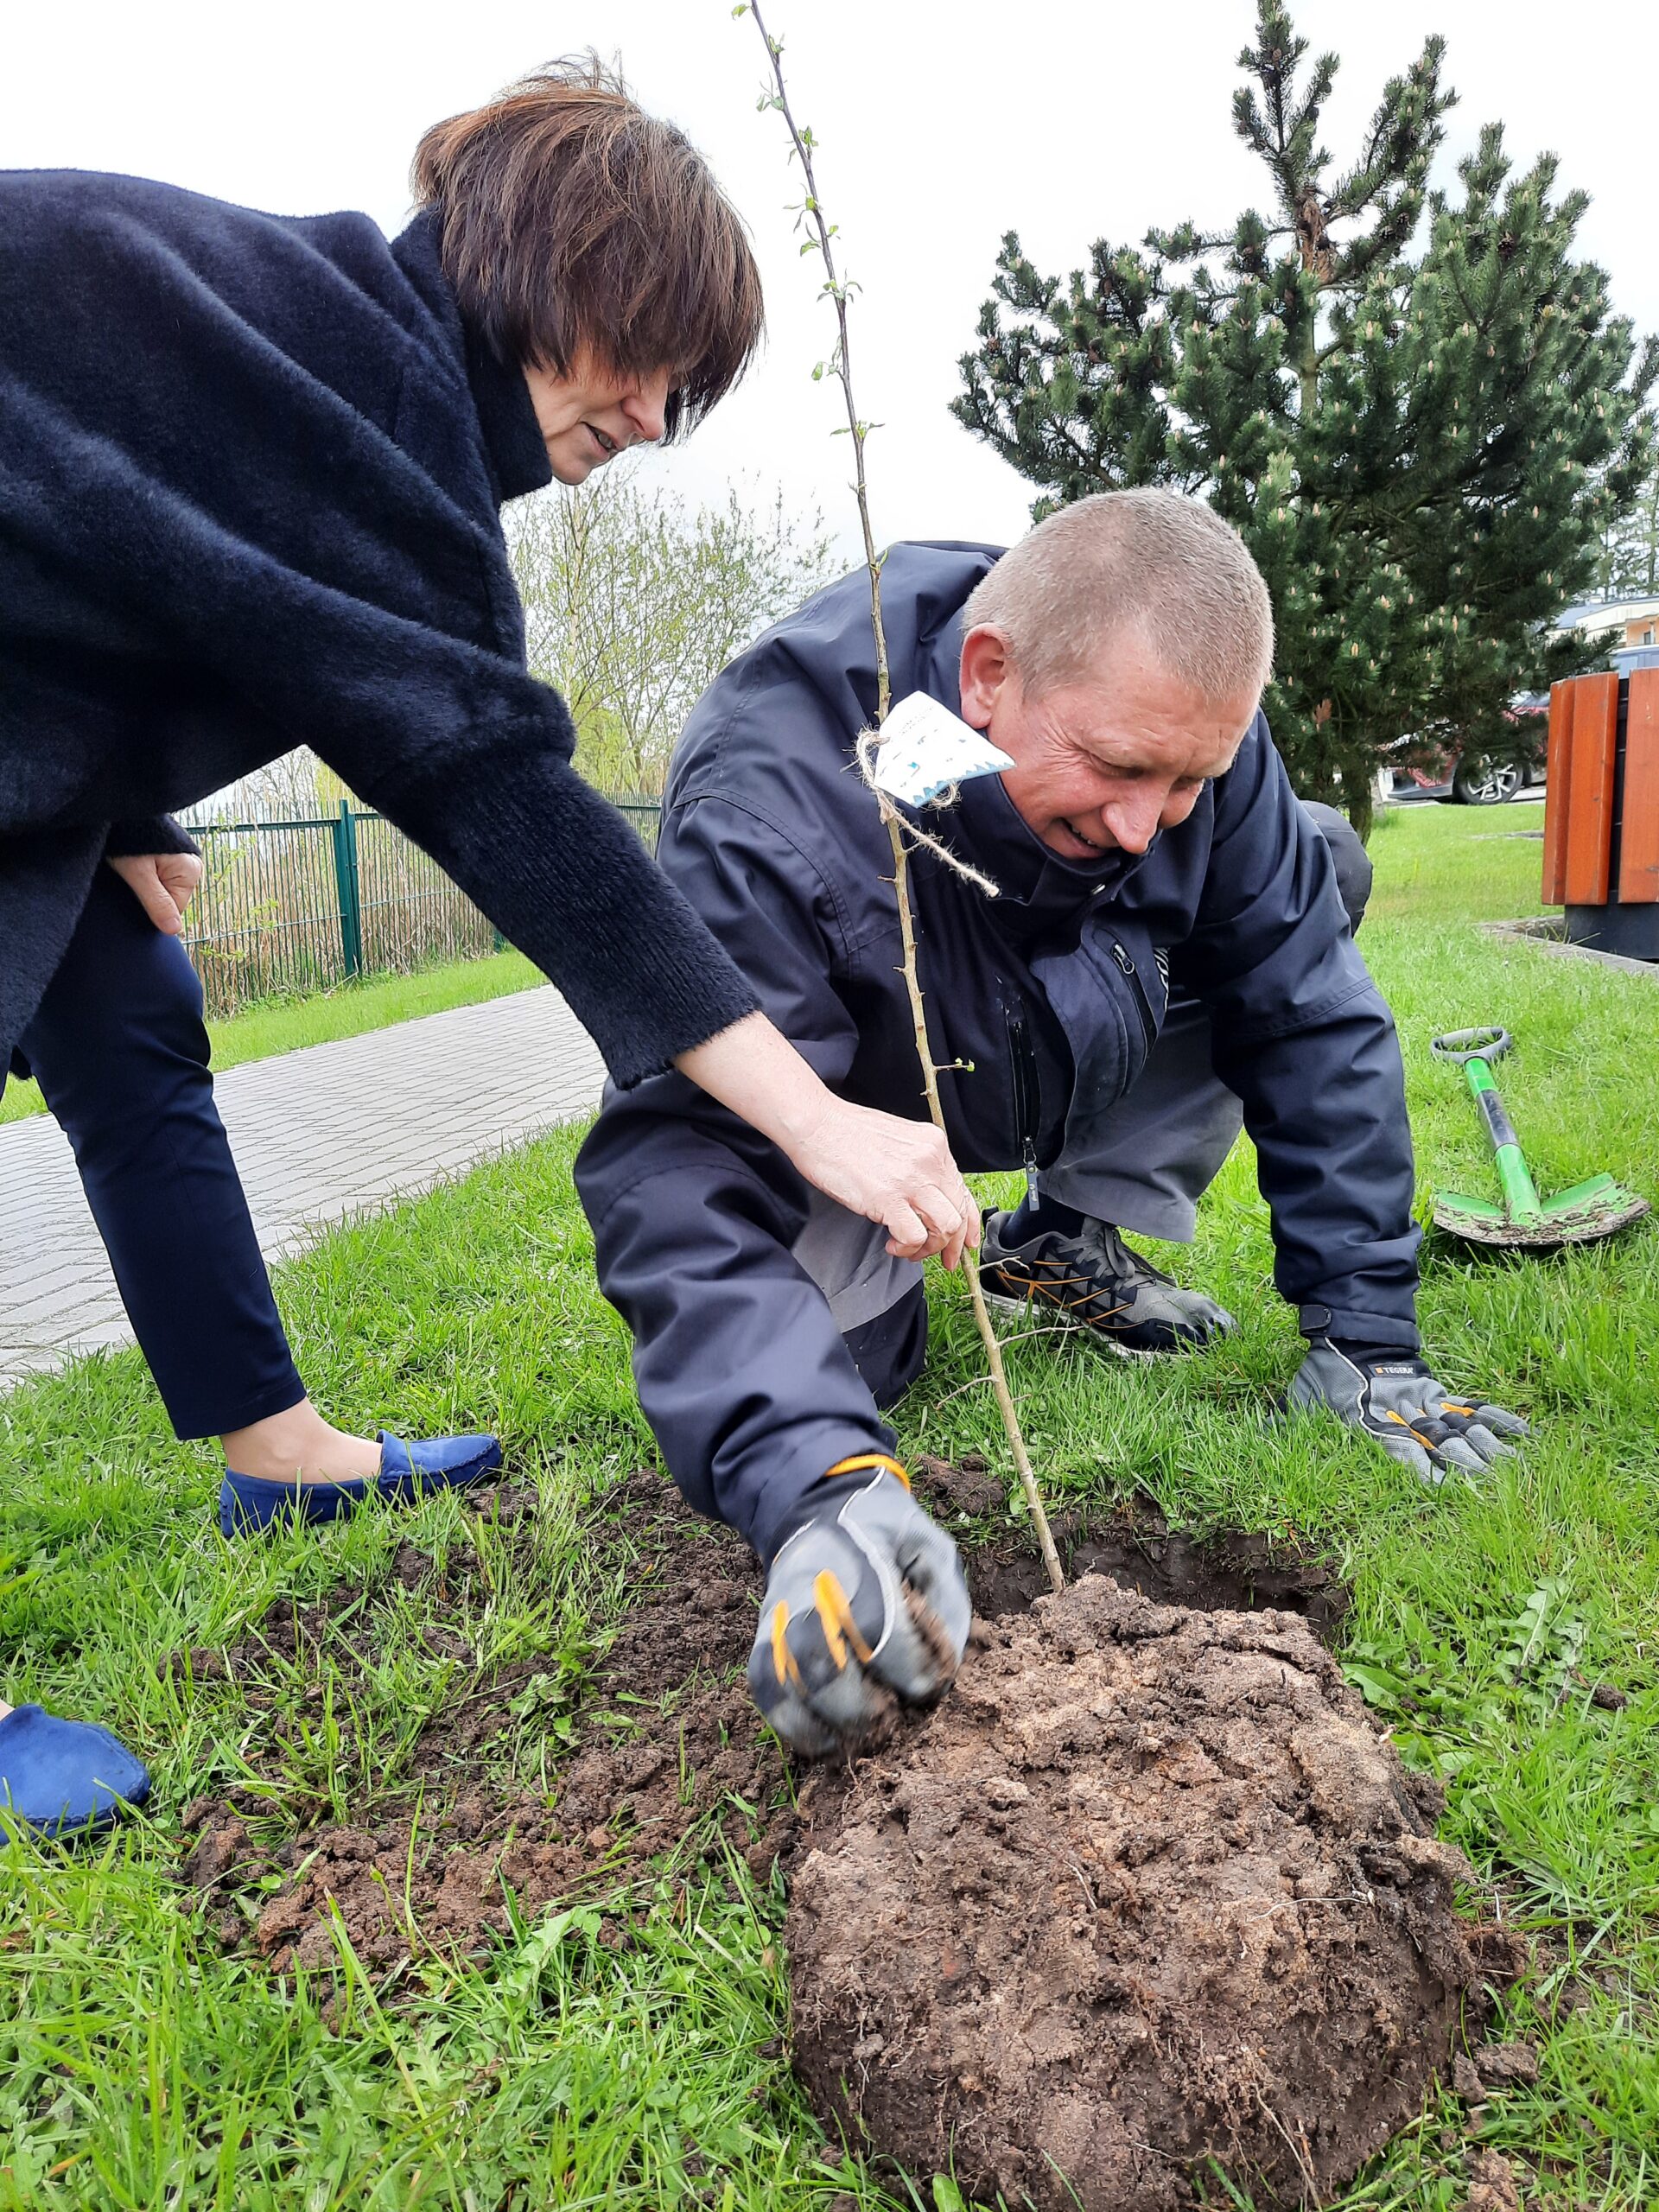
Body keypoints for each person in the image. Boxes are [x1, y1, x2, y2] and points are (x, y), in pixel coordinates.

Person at [0, 60, 976, 1838]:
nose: (663, 418)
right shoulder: (358, 381)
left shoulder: (325, 369)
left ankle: (272, 1450)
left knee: (126, 1005)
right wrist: (817, 1123)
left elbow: (109, 543)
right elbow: (519, 815)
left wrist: (118, 800)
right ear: (551, 257)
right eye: (656, 355)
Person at [575, 490, 1529, 1758]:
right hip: (849, 1103)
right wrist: (819, 1479)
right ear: (986, 677)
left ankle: (1065, 1236)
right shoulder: (774, 800)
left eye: (1192, 779)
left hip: (1065, 1019)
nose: (1149, 821)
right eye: (1122, 769)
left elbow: (1309, 1013)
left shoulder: (1182, 736)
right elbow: (681, 1154)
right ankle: (864, 1334)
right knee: (859, 1374)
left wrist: (1369, 1335)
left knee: (1313, 870)